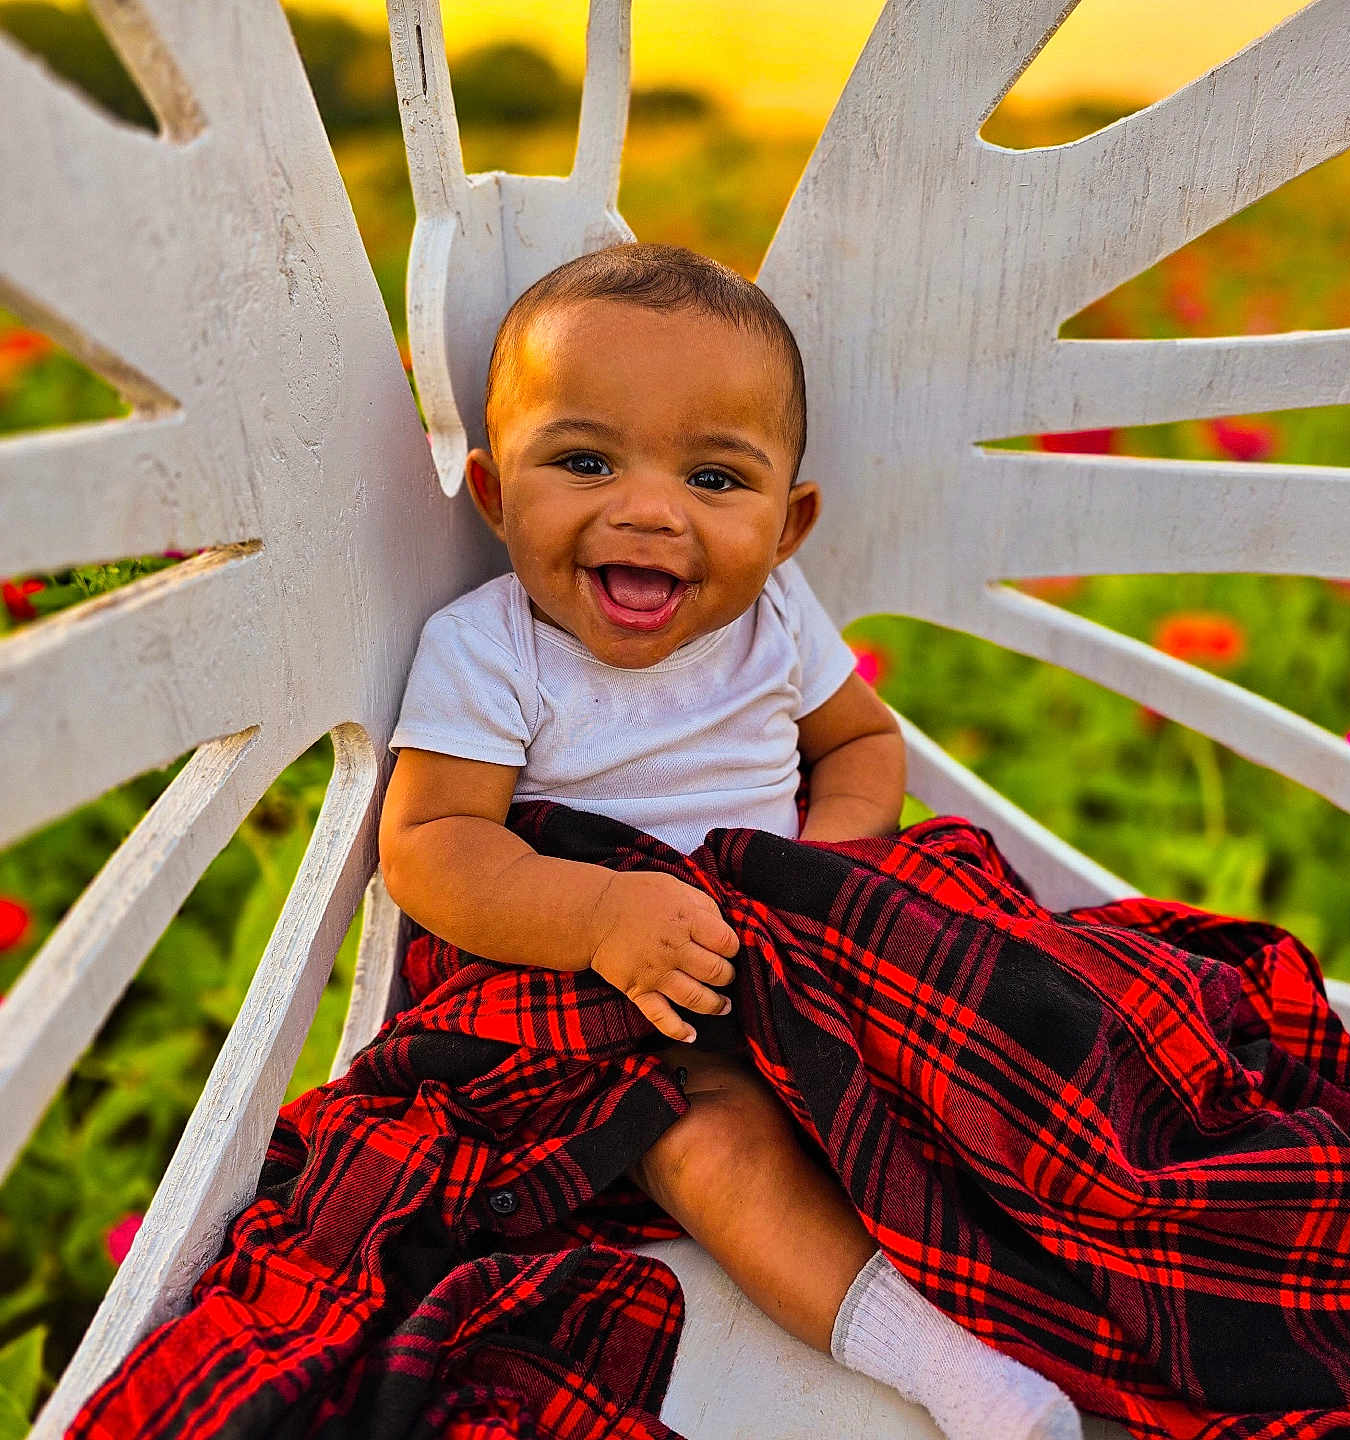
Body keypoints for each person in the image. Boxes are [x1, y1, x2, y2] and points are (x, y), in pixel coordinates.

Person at [378, 242, 1080, 1440]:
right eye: (585, 461)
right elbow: (434, 842)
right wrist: (600, 916)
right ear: (495, 493)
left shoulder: (776, 620)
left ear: (788, 525)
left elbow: (861, 747)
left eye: (714, 477)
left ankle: (1089, 1242)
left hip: (794, 950)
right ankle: (946, 1365)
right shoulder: (491, 651)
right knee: (703, 1140)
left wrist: (831, 865)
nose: (650, 510)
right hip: (627, 1006)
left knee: (1006, 1026)